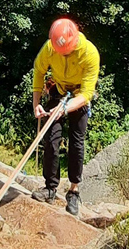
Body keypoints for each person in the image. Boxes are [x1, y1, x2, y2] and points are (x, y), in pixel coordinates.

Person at [31, 18, 99, 216]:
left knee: (76, 143)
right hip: (57, 90)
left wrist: (66, 107)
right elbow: (39, 71)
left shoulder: (89, 53)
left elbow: (87, 93)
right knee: (51, 139)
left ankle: (74, 191)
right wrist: (37, 104)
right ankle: (50, 188)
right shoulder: (51, 47)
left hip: (78, 98)